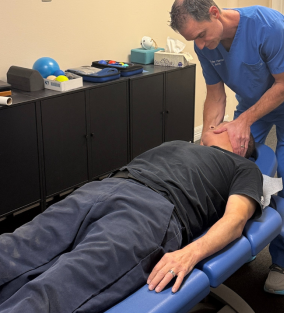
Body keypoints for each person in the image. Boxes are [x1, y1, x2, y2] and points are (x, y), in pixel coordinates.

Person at [0, 123, 263, 313]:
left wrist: (190, 253)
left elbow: (235, 220)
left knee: (60, 285)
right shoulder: (180, 143)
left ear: (241, 142)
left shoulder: (244, 168)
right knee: (14, 249)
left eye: (226, 125)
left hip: (152, 212)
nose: (218, 125)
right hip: (101, 188)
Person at [170, 0, 284, 295]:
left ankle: (283, 262)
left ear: (213, 12)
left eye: (200, 35)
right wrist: (209, 139)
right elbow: (215, 94)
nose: (199, 45)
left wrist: (243, 122)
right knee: (228, 166)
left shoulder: (268, 26)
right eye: (192, 40)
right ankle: (233, 240)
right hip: (253, 103)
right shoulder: (205, 45)